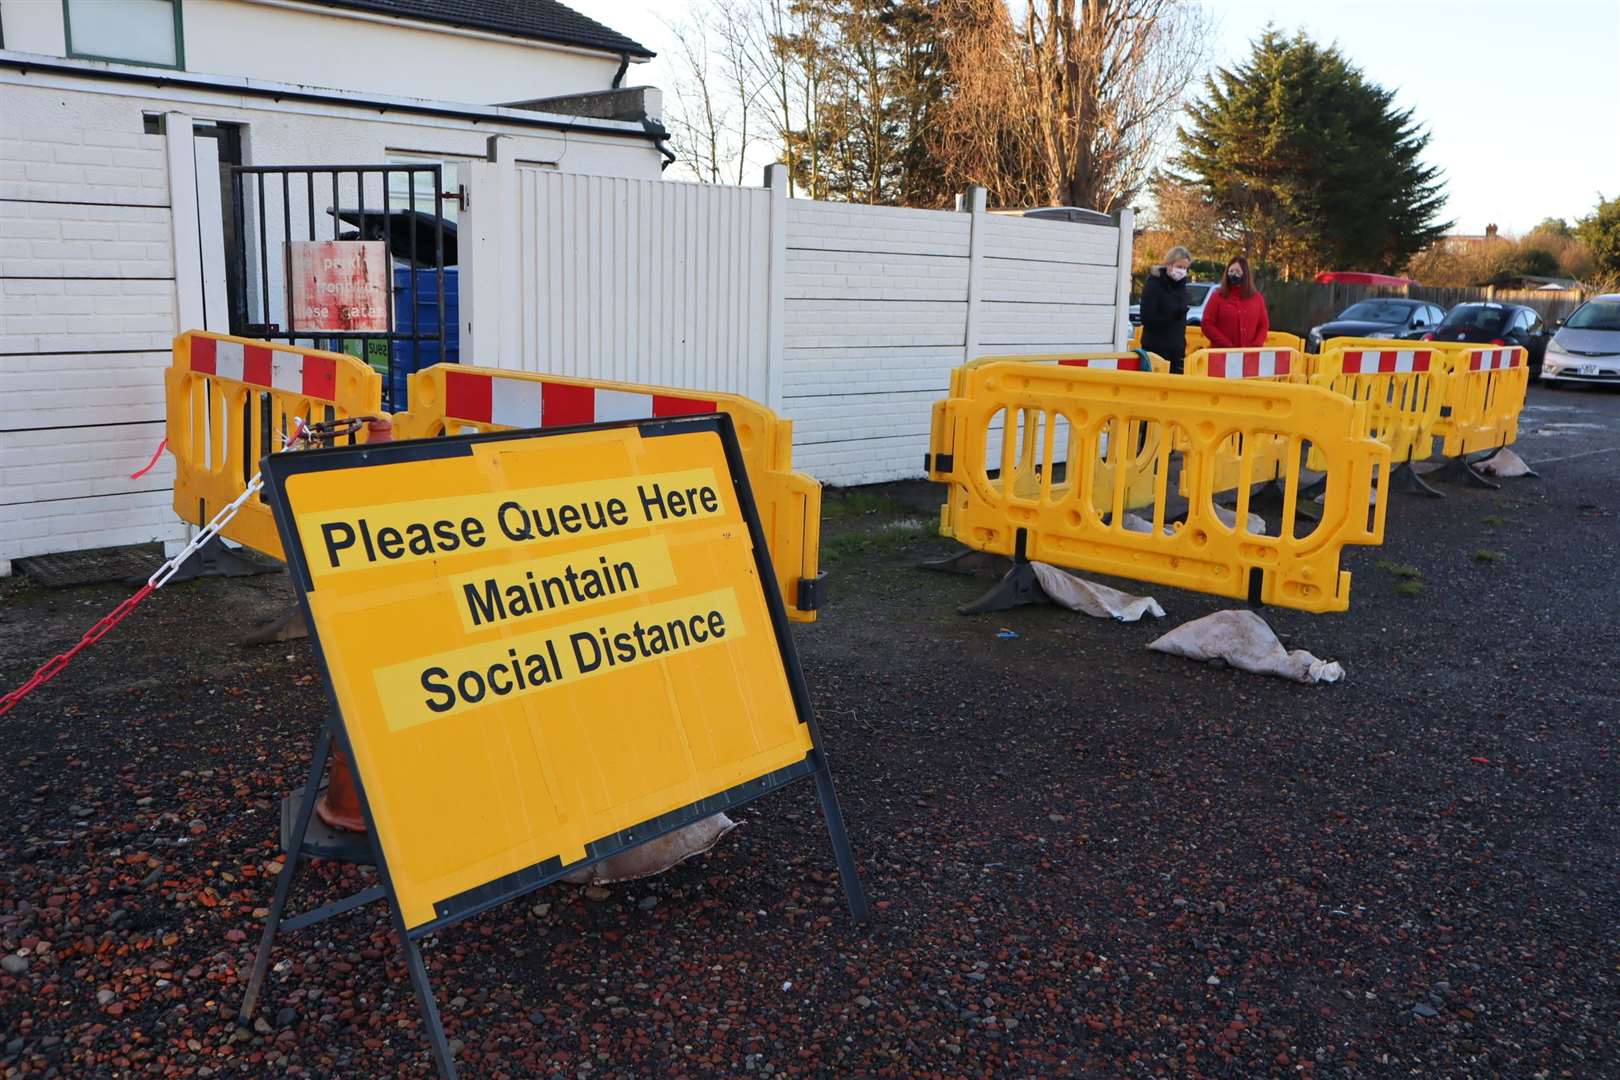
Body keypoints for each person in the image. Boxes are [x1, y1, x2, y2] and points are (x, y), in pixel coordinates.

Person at [1138, 245, 1193, 373]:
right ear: (1169, 264)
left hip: (1177, 350)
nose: (1182, 271)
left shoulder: (1182, 286)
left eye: (1185, 268)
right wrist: (1171, 316)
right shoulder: (1154, 285)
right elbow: (1147, 318)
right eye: (1179, 267)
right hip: (1156, 349)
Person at [1201, 255, 1269, 349]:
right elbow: (1207, 324)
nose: (1234, 274)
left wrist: (1256, 345)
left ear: (1245, 274)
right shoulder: (1217, 297)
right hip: (1221, 354)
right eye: (1231, 271)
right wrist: (1226, 344)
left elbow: (1263, 325)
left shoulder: (1257, 298)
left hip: (1249, 356)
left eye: (1237, 271)